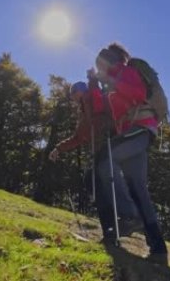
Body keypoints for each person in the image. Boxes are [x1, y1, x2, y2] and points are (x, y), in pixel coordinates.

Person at [91, 43, 168, 265]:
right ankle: (159, 250)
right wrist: (94, 83)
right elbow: (101, 108)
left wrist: (111, 79)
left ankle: (129, 215)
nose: (99, 68)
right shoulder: (112, 81)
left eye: (100, 64)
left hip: (140, 127)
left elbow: (138, 93)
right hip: (132, 131)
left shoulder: (127, 72)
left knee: (105, 161)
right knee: (138, 189)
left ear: (109, 61)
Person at [48, 81, 117, 241]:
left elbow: (98, 97)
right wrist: (58, 148)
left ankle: (114, 228)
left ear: (78, 91)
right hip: (100, 148)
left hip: (108, 145)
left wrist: (92, 79)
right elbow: (78, 138)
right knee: (93, 183)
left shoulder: (92, 96)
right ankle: (110, 231)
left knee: (97, 183)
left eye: (72, 94)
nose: (71, 98)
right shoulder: (83, 110)